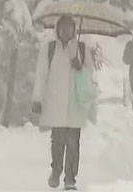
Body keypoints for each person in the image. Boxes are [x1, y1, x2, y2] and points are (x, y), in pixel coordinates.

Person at [32, 15, 94, 191]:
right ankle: (56, 170)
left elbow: (90, 76)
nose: (66, 30)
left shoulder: (81, 48)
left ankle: (70, 178)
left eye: (69, 27)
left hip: (75, 105)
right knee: (57, 141)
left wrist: (79, 67)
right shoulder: (50, 49)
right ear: (57, 29)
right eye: (63, 27)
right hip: (55, 104)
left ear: (74, 29)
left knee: (73, 143)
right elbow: (41, 74)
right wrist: (37, 98)